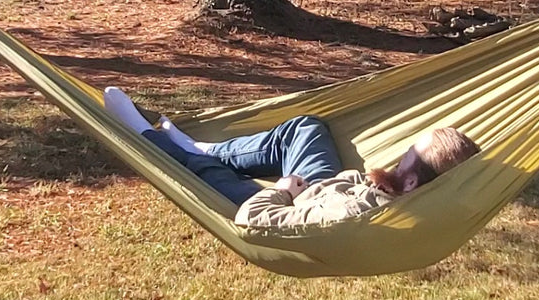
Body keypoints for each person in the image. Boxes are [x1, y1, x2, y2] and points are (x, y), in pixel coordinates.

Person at [102, 87, 480, 228]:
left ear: (412, 182)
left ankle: (148, 136)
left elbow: (259, 219)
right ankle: (206, 147)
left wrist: (282, 191)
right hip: (320, 190)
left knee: (201, 173)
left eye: (406, 158)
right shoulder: (419, 198)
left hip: (287, 204)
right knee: (305, 128)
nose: (398, 157)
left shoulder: (352, 216)